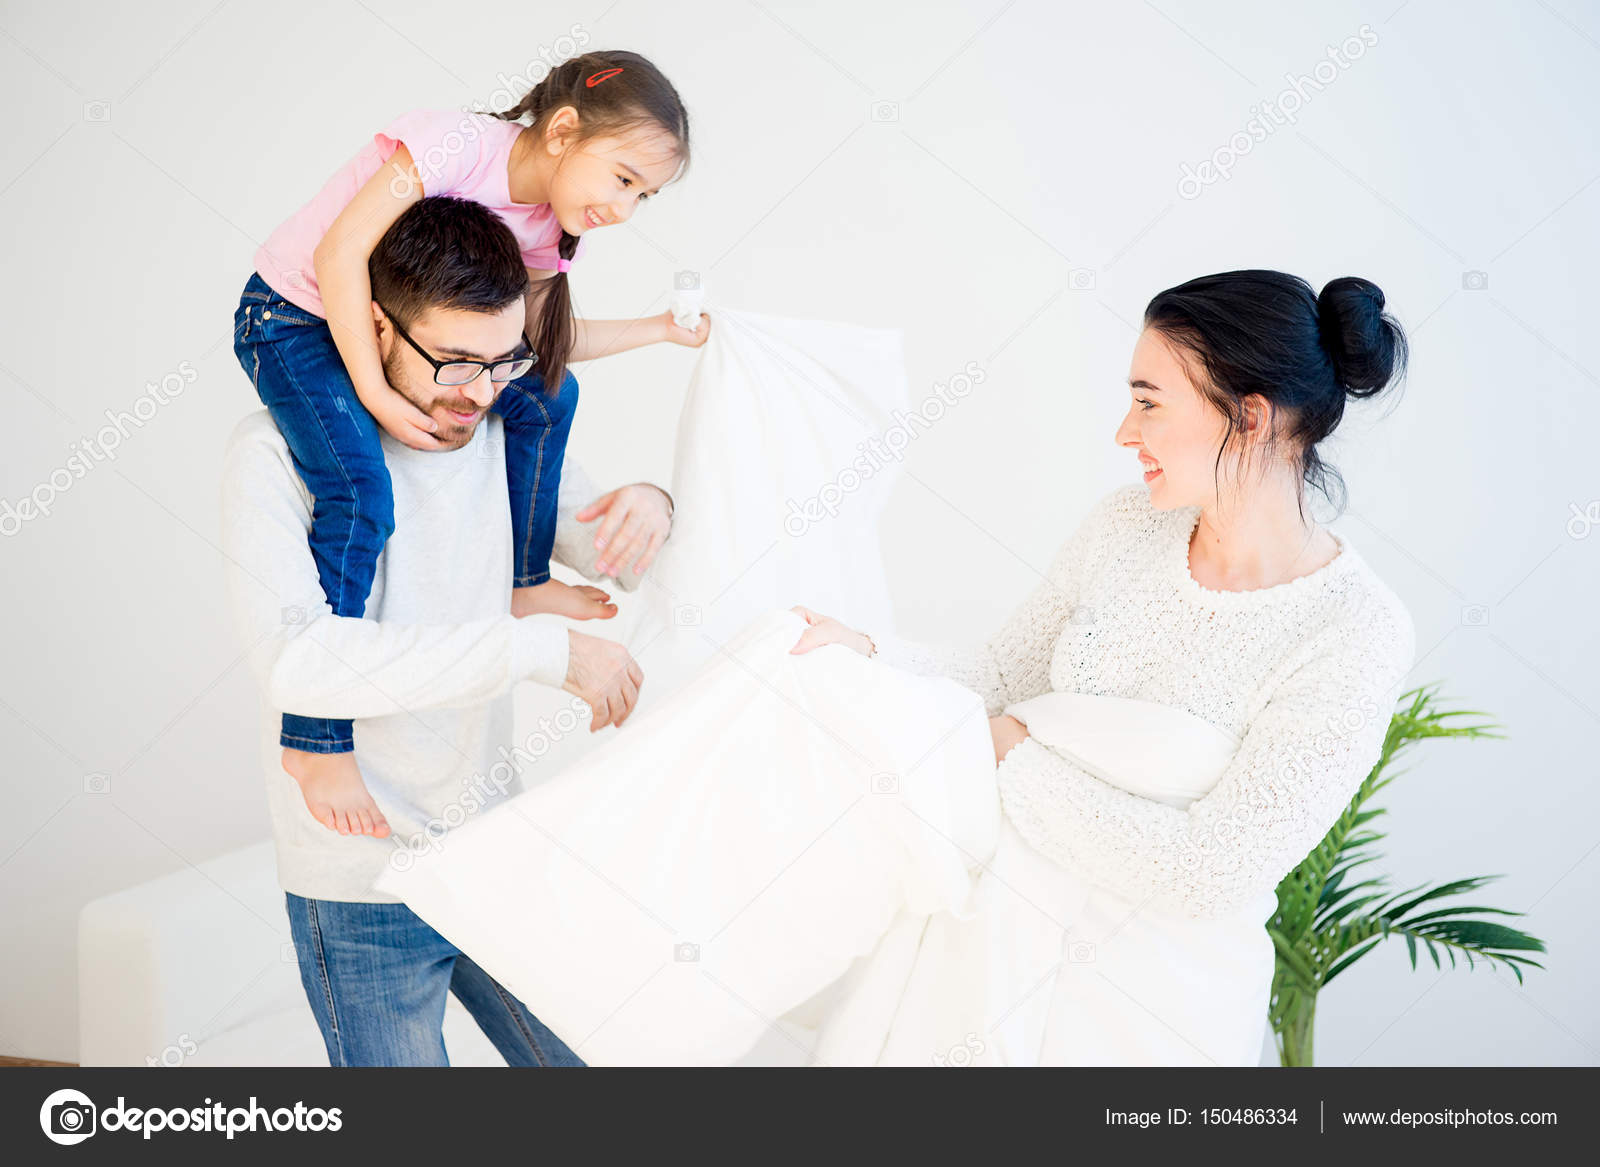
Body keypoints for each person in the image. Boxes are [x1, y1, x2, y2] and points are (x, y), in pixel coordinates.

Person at [379, 269, 1417, 1066]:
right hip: (983, 939)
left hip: (1145, 1005)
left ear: (1248, 415)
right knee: (786, 690)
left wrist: (1008, 754)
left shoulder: (1350, 632)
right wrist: (869, 650)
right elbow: (1002, 672)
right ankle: (567, 936)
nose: (1122, 431)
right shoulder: (1123, 531)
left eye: (1149, 402)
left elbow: (1214, 871)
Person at [222, 194, 673, 1066]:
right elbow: (301, 662)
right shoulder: (275, 453)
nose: (482, 390)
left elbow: (608, 542)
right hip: (360, 880)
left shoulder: (502, 426)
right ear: (376, 327)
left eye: (502, 360)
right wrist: (544, 649)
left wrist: (654, 504)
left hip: (490, 849)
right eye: (456, 361)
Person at [233, 49, 704, 839]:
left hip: (399, 340)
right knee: (356, 485)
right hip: (292, 314)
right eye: (623, 178)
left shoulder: (549, 234)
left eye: (645, 196)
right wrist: (377, 391)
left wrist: (660, 331)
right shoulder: (459, 147)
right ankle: (315, 740)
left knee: (552, 393)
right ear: (561, 131)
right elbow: (339, 254)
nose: (627, 208)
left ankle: (522, 578)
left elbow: (545, 344)